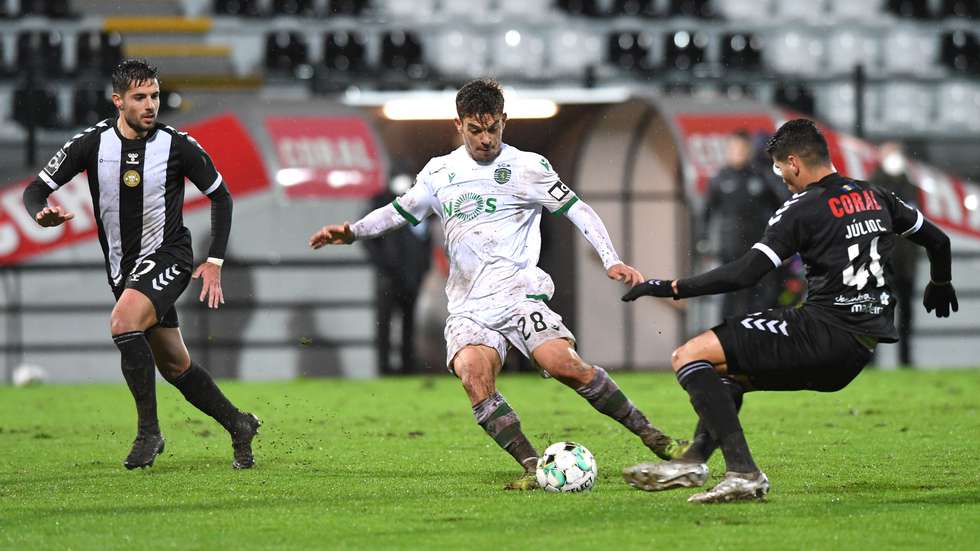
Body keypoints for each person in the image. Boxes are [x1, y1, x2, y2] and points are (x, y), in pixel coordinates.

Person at [310, 78, 687, 489]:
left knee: (564, 365)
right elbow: (398, 212)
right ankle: (533, 466)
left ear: (504, 121)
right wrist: (352, 231)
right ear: (459, 125)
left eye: (493, 128)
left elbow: (579, 210)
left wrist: (611, 259)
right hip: (470, 307)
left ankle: (655, 437)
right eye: (476, 129)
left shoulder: (529, 167)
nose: (486, 139)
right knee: (473, 374)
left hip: (520, 296)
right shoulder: (440, 173)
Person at [620, 119, 957, 503]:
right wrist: (941, 283)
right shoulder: (877, 195)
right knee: (724, 371)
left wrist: (672, 287)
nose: (782, 180)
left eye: (781, 170)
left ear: (794, 163)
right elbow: (938, 240)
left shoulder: (801, 208)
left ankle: (744, 473)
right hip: (859, 348)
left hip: (823, 333)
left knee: (689, 355)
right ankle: (694, 459)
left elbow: (747, 272)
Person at [21, 59, 260, 470]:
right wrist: (40, 213)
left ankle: (149, 432)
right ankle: (238, 423)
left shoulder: (178, 145)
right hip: (124, 270)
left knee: (122, 322)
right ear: (118, 101)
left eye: (154, 96)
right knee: (174, 364)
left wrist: (214, 260)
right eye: (140, 97)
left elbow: (221, 196)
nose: (150, 105)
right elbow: (35, 190)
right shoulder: (92, 143)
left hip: (170, 256)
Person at [700, 129, 785, 318]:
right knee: (731, 295)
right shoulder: (720, 178)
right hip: (730, 248)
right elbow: (706, 213)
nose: (738, 152)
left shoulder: (760, 176)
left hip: (757, 247)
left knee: (762, 294)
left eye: (742, 149)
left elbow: (780, 206)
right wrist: (703, 240)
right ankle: (727, 339)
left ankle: (758, 336)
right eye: (734, 148)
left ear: (749, 151)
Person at [362, 172, 432, 374]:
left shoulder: (419, 204)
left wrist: (422, 268)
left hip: (411, 277)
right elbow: (369, 238)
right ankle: (384, 367)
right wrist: (383, 265)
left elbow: (423, 241)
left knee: (408, 323)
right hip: (388, 278)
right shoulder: (381, 202)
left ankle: (407, 366)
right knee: (384, 323)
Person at [869, 142, 921, 367]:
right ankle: (870, 359)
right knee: (876, 310)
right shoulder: (873, 185)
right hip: (881, 259)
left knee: (906, 313)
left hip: (906, 259)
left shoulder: (910, 185)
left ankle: (905, 359)